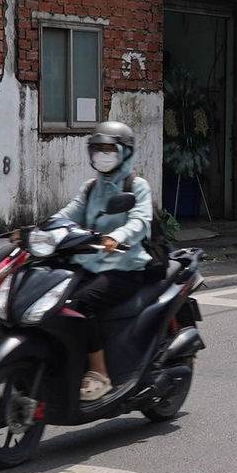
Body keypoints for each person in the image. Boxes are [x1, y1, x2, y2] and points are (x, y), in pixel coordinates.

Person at [59, 121, 155, 403]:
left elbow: (140, 221)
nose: (102, 154)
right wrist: (40, 230)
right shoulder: (90, 188)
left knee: (80, 304)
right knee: (51, 297)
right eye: (97, 148)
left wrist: (117, 236)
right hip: (88, 263)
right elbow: (69, 213)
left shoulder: (136, 186)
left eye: (108, 149)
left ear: (124, 152)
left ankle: (100, 374)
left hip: (124, 267)